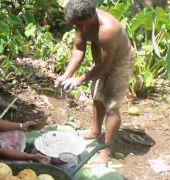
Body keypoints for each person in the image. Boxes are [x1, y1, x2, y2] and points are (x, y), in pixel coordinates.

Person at [55, 0, 135, 163]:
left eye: (78, 25)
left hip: (120, 62)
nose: (77, 28)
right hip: (102, 61)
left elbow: (106, 66)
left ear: (90, 19)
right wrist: (66, 75)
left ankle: (106, 151)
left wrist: (80, 80)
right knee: (98, 97)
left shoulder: (107, 29)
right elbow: (79, 50)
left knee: (112, 106)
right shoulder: (81, 22)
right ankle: (95, 131)